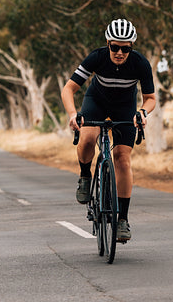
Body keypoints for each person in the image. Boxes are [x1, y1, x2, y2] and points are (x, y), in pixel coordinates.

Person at [61, 18, 156, 241]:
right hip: (97, 101)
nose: (119, 52)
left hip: (125, 107)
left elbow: (150, 98)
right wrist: (73, 115)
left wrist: (142, 113)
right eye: (115, 47)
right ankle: (85, 175)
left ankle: (122, 219)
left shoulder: (140, 63)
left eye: (125, 48)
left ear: (132, 47)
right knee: (87, 139)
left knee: (122, 158)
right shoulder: (97, 57)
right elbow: (69, 88)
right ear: (107, 43)